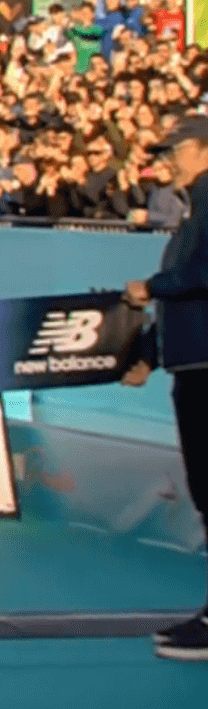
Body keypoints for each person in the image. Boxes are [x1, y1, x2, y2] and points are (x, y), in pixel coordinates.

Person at [122, 113, 208, 661]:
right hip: (191, 365)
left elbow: (198, 278)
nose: (168, 160)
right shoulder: (192, 211)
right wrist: (149, 356)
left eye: (177, 149)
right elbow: (181, 296)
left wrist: (150, 286)